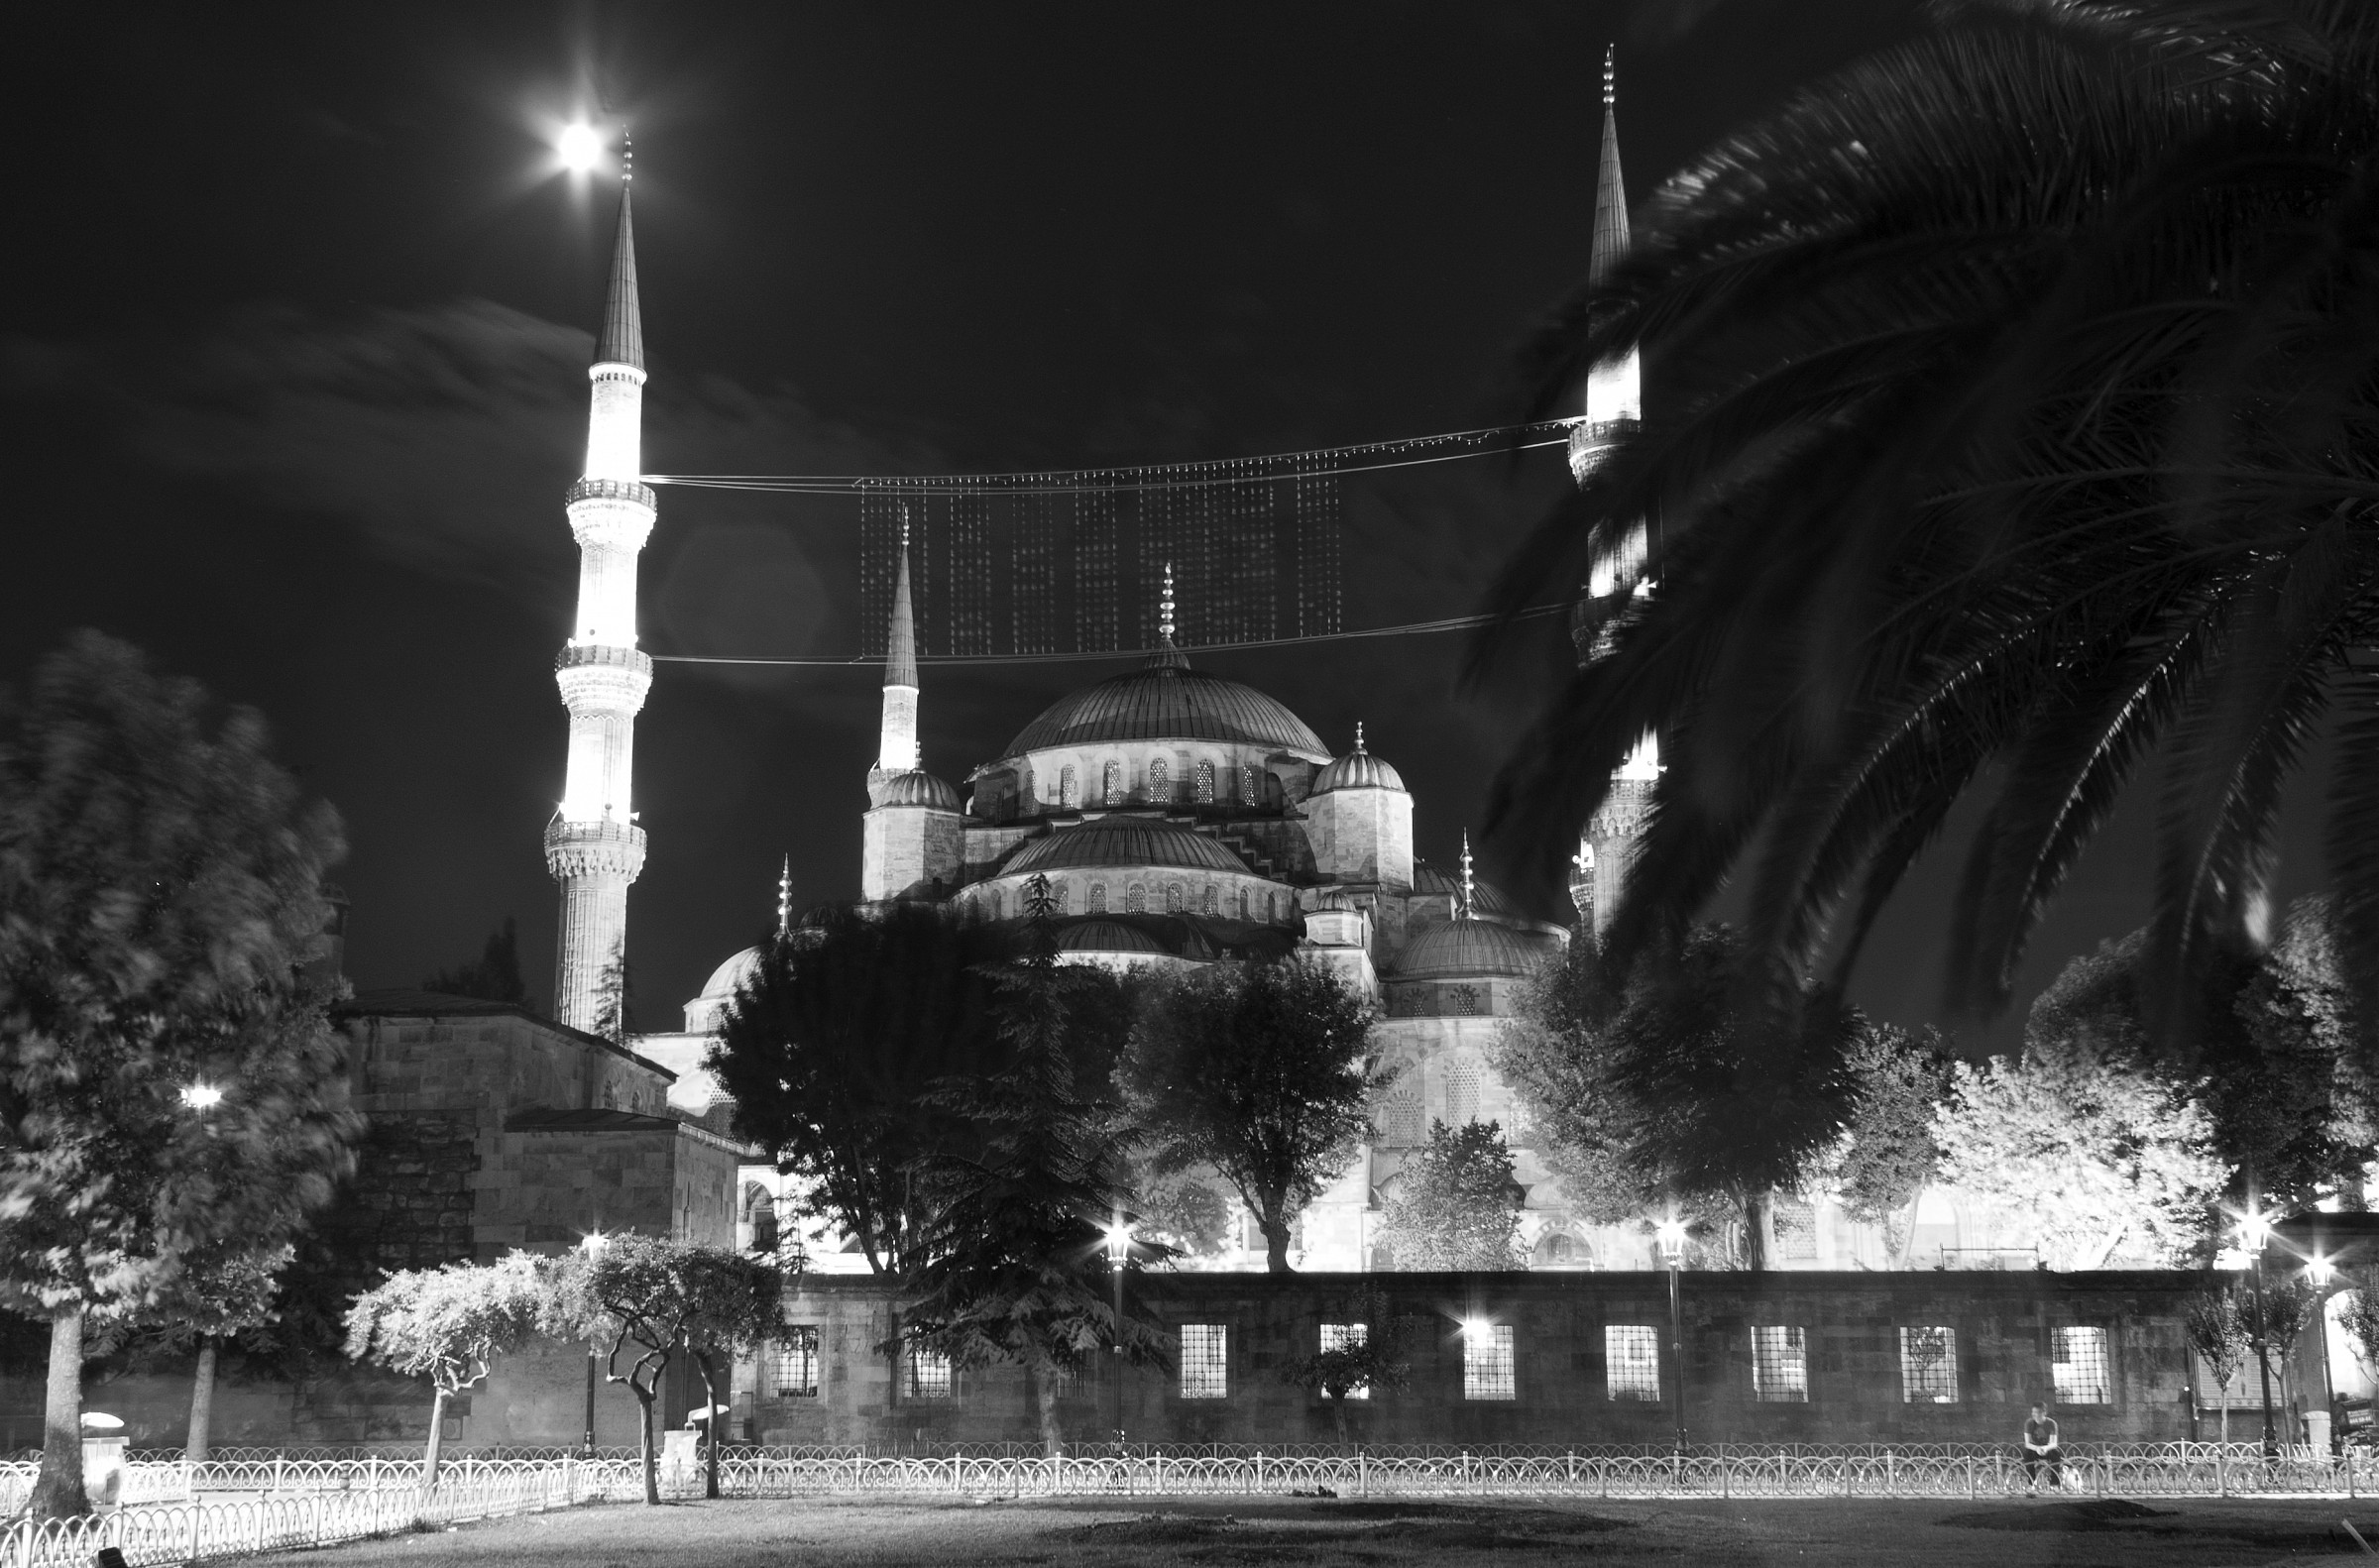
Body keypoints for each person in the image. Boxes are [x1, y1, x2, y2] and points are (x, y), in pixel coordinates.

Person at [2022, 1402, 2064, 1493]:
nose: (2035, 1415)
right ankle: (2031, 1483)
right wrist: (2037, 1448)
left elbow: (2054, 1443)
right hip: (2034, 1449)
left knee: (2056, 1454)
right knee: (2027, 1454)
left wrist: (2045, 1448)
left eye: (2038, 1412)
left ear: (2044, 1413)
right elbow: (2027, 1443)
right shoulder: (2029, 1423)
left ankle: (2055, 1483)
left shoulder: (2052, 1423)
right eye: (2033, 1412)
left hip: (2047, 1448)